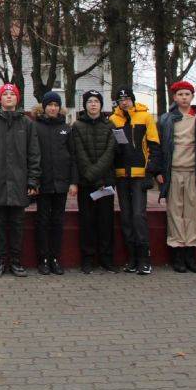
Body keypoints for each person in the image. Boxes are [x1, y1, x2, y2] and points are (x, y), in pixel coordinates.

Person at [0, 83, 41, 277]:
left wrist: (32, 181)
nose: (8, 97)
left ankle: (16, 262)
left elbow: (34, 154)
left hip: (20, 184)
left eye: (12, 94)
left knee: (17, 226)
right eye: (5, 94)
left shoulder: (27, 123)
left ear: (17, 98)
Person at [156, 80, 196, 273]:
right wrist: (157, 171)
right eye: (180, 94)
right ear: (174, 97)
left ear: (192, 97)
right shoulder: (166, 119)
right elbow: (157, 148)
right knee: (175, 212)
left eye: (187, 94)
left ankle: (191, 254)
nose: (184, 97)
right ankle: (177, 254)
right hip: (173, 172)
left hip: (195, 173)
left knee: (192, 213)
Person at [109, 86, 160, 275]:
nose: (124, 102)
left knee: (139, 216)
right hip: (121, 176)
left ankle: (144, 259)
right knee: (126, 217)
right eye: (121, 99)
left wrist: (151, 172)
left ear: (133, 99)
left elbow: (154, 145)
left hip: (140, 175)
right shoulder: (113, 120)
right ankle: (131, 258)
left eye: (127, 98)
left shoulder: (145, 117)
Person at [32, 91, 77, 276]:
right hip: (42, 183)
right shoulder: (35, 127)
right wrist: (33, 181)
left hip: (61, 184)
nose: (52, 108)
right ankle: (43, 259)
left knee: (58, 222)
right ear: (44, 107)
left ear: (60, 108)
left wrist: (73, 182)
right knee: (42, 221)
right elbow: (32, 155)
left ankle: (55, 258)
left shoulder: (66, 128)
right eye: (49, 105)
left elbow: (73, 156)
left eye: (56, 105)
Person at [71, 90, 116, 274]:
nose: (93, 104)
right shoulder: (77, 126)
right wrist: (89, 175)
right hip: (86, 183)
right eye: (89, 101)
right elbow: (78, 153)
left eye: (96, 101)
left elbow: (110, 152)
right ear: (85, 105)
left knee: (106, 222)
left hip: (105, 182)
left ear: (101, 104)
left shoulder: (110, 125)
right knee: (87, 222)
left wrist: (95, 173)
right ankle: (87, 259)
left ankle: (106, 259)